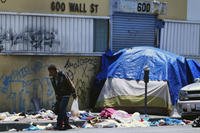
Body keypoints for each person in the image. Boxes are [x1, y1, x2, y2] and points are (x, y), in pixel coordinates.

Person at [48, 64, 77, 130]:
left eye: (50, 71)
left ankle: (59, 124)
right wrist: (57, 95)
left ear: (54, 70)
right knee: (59, 109)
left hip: (66, 94)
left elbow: (70, 83)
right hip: (60, 95)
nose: (49, 73)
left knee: (61, 108)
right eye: (49, 71)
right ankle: (67, 124)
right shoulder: (52, 77)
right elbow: (55, 87)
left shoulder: (62, 75)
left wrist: (74, 92)